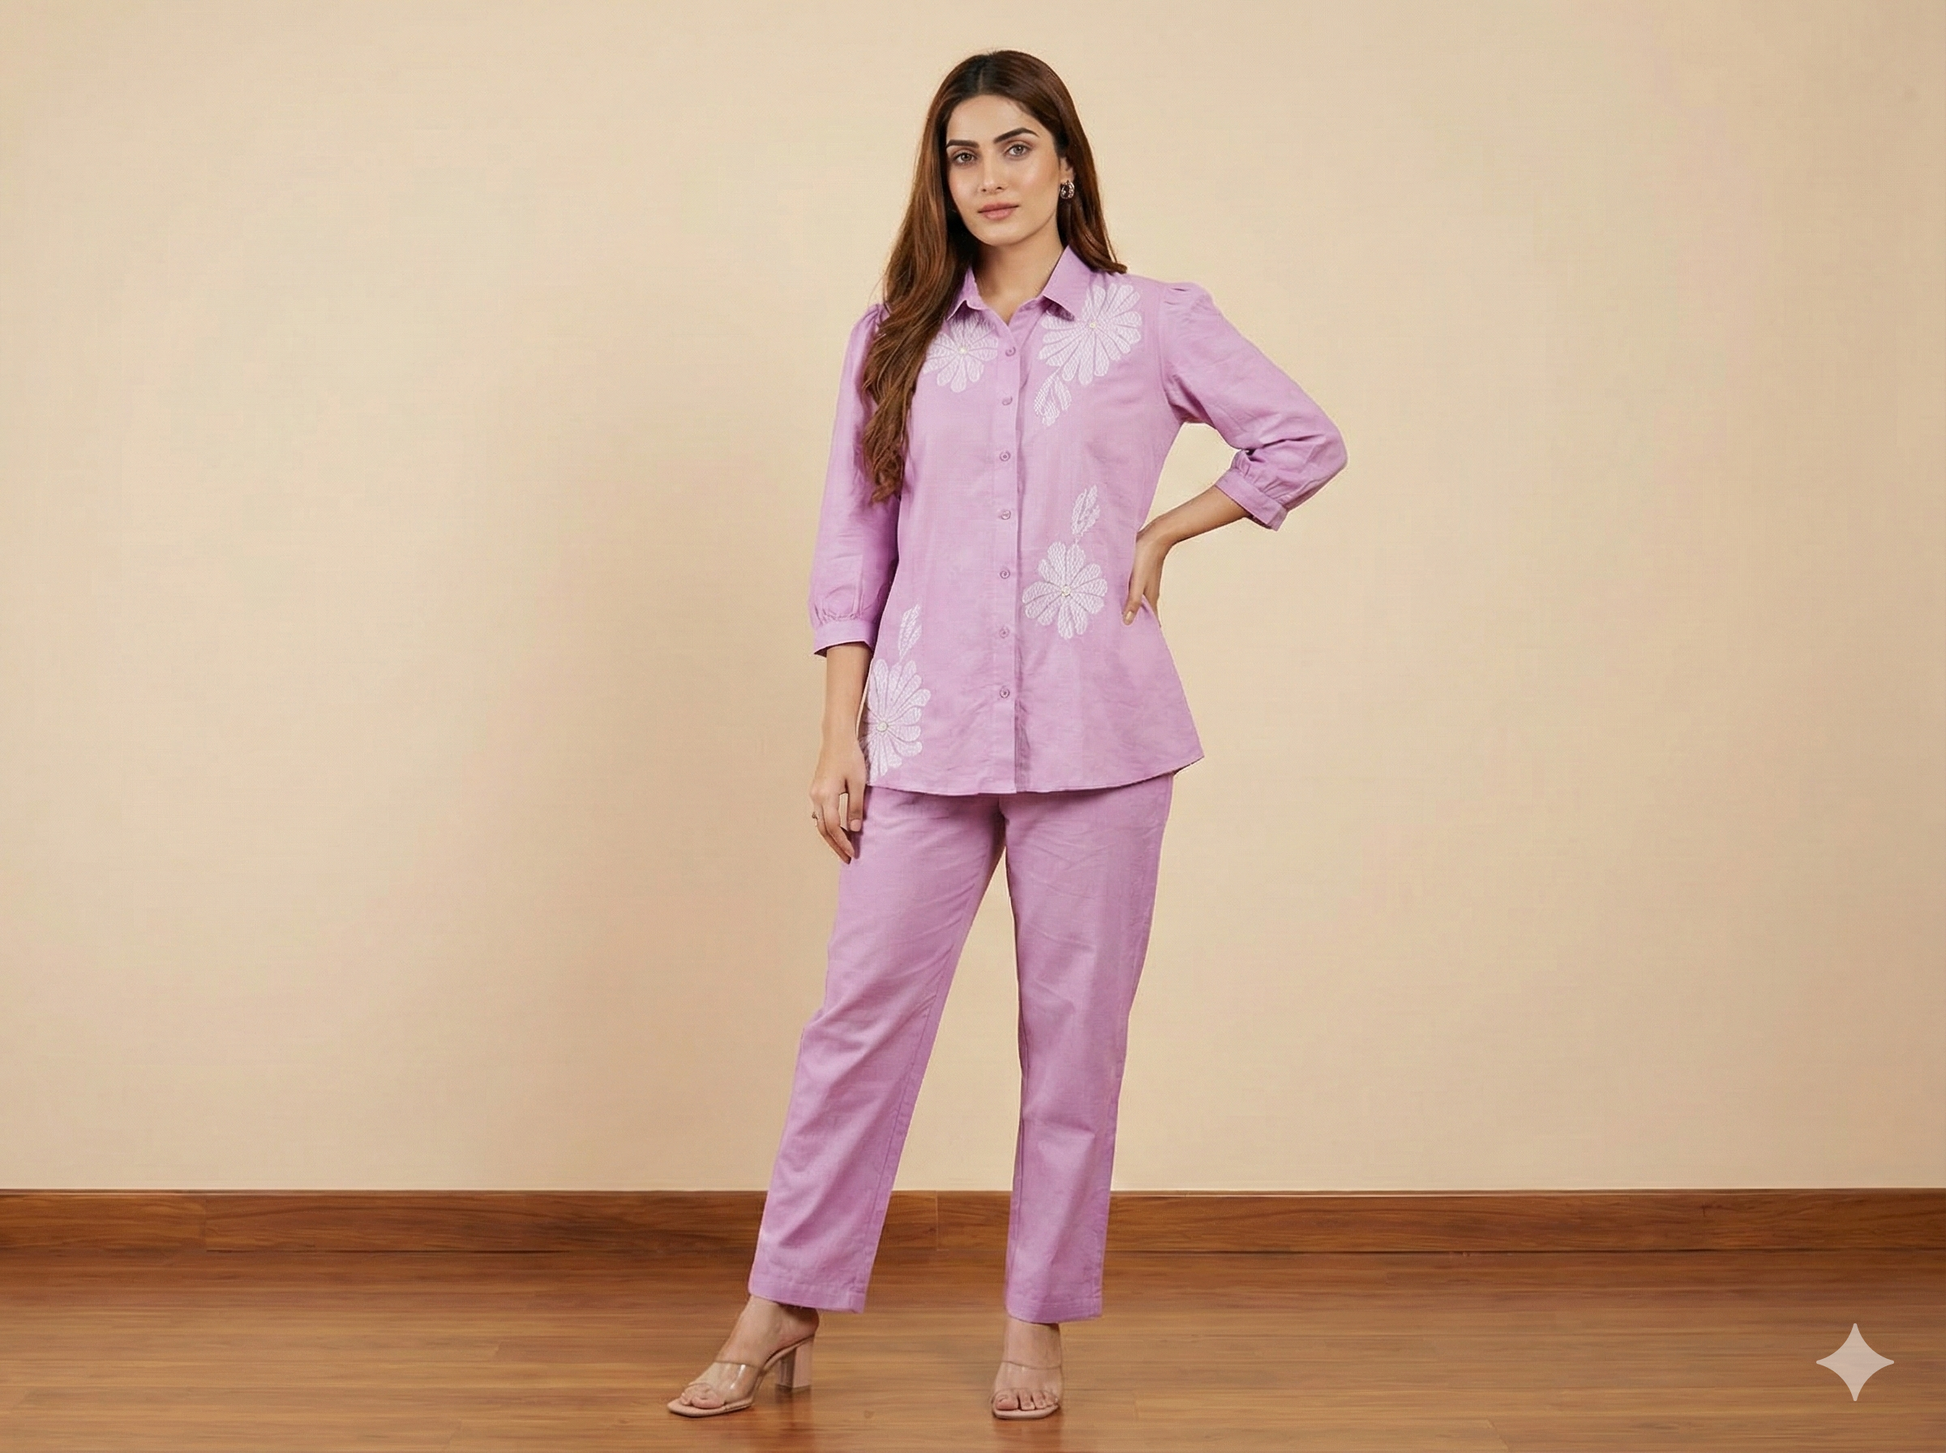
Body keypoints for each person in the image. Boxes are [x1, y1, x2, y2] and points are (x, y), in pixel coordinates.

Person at [668, 48, 1347, 1422]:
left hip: (1102, 735)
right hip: (924, 730)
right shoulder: (895, 337)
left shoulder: (1151, 322)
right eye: (963, 155)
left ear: (1066, 164)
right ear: (942, 179)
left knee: (1073, 1042)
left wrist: (1165, 529)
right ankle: (782, 1303)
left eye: (1016, 147)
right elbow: (853, 544)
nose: (990, 177)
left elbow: (1300, 440)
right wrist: (839, 731)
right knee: (856, 1024)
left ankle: (1037, 1321)